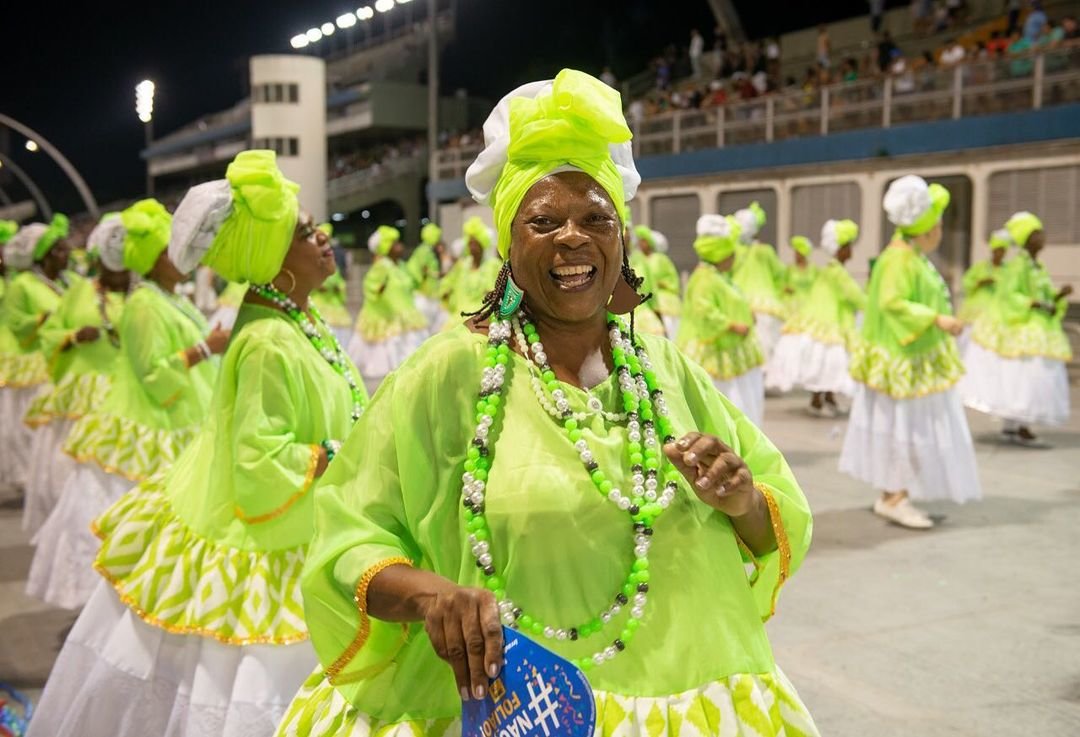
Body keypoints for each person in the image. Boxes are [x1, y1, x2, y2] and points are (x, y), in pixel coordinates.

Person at [276, 67, 817, 737]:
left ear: (621, 239)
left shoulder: (661, 368)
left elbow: (776, 512)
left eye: (597, 218)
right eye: (544, 220)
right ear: (508, 240)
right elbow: (349, 535)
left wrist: (739, 501)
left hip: (687, 696)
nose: (573, 237)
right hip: (514, 710)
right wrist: (432, 596)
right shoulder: (450, 372)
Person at [29, 150, 368, 737]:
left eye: (315, 228)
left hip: (306, 516)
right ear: (273, 262)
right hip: (272, 534)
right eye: (304, 232)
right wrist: (335, 456)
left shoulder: (298, 321)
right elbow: (258, 457)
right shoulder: (268, 342)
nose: (323, 238)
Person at [840, 176, 982, 530]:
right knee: (905, 431)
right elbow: (893, 303)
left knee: (906, 429)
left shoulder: (910, 256)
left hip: (910, 360)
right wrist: (937, 319)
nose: (940, 229)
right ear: (924, 227)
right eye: (937, 222)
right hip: (902, 362)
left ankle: (894, 493)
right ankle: (894, 497)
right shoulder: (900, 259)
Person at [23, 217, 132, 607]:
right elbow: (51, 333)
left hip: (126, 403)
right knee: (75, 482)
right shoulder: (80, 293)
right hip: (82, 392)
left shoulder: (142, 297)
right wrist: (71, 337)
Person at [959, 212, 1071, 446]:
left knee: (1027, 377)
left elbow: (1045, 293)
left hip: (1038, 327)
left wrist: (1059, 296)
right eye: (1037, 234)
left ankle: (1015, 426)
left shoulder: (1036, 267)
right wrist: (1034, 303)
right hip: (1022, 329)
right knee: (1025, 376)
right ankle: (1020, 426)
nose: (1043, 238)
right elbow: (1011, 296)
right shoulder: (1018, 266)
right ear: (1027, 239)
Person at [4, 215, 73, 520]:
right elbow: (17, 324)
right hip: (30, 366)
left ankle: (50, 484)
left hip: (60, 365)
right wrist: (45, 320)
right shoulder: (22, 285)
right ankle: (30, 481)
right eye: (58, 249)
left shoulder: (69, 283)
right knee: (25, 429)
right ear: (42, 255)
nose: (66, 253)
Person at [767, 220, 865, 417]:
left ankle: (828, 399)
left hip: (827, 320)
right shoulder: (836, 271)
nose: (851, 252)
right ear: (841, 250)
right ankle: (817, 402)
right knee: (826, 364)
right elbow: (855, 295)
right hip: (827, 322)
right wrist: (874, 304)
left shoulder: (828, 269)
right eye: (848, 248)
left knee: (828, 364)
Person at [677, 214, 766, 426]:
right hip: (715, 353)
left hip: (731, 350)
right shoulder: (704, 278)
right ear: (721, 255)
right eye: (731, 253)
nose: (735, 257)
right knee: (726, 403)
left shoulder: (718, 276)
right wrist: (732, 325)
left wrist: (747, 313)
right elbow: (704, 310)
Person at [347, 225, 428, 385]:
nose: (400, 247)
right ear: (386, 247)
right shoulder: (382, 266)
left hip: (405, 313)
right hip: (386, 315)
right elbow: (370, 286)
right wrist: (378, 289)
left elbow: (411, 283)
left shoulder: (400, 265)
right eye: (395, 243)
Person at [0, 222, 40, 488]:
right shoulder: (16, 284)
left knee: (18, 419)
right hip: (11, 353)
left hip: (19, 355)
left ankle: (23, 472)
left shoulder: (16, 282)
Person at [732, 202, 787, 361]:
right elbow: (780, 275)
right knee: (768, 345)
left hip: (740, 302)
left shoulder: (733, 251)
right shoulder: (766, 251)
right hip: (766, 304)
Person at [441, 216, 501, 325]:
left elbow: (498, 288)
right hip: (459, 314)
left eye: (475, 244)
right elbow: (448, 281)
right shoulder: (462, 265)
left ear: (482, 244)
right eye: (470, 243)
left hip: (483, 314)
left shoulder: (493, 265)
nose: (472, 247)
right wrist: (445, 291)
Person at [634, 226, 682, 337]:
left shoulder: (661, 259)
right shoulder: (638, 260)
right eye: (640, 241)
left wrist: (661, 283)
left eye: (644, 241)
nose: (641, 244)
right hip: (644, 302)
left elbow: (672, 279)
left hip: (665, 303)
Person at [958, 228, 1010, 327]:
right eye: (997, 250)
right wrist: (980, 282)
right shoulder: (980, 268)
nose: (999, 253)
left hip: (999, 312)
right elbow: (966, 283)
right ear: (992, 250)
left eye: (1002, 250)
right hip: (976, 312)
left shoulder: (1009, 271)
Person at [407, 221, 449, 333]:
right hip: (424, 295)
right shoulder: (424, 251)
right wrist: (436, 275)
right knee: (425, 327)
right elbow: (423, 270)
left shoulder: (427, 250)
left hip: (430, 295)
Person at [781, 235, 818, 315]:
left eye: (798, 253)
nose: (795, 255)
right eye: (795, 253)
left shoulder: (814, 270)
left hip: (810, 307)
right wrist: (786, 289)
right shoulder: (789, 269)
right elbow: (782, 286)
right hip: (792, 307)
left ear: (803, 254)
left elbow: (818, 287)